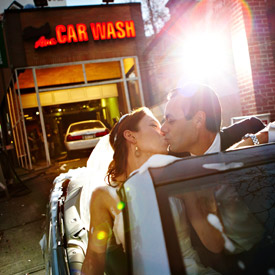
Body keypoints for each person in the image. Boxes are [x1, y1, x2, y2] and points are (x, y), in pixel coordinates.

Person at [82, 107, 224, 275]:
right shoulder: (105, 196)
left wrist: (191, 195)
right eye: (153, 126)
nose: (163, 131)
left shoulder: (178, 175)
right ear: (131, 136)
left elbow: (216, 245)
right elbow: (95, 258)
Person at [161, 83, 273, 272]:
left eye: (170, 121)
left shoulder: (248, 129)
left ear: (198, 119)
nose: (163, 128)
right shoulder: (171, 166)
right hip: (220, 267)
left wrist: (252, 142)